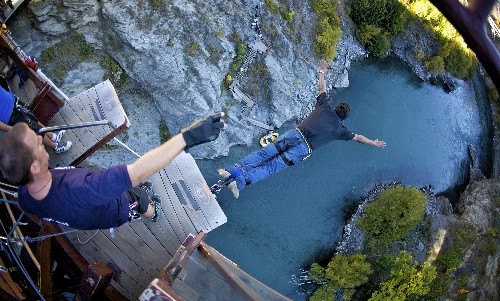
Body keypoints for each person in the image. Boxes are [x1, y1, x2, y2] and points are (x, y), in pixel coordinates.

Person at [0, 112, 224, 230]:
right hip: (116, 207)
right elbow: (136, 172)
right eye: (36, 142)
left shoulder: (25, 195)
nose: (41, 138)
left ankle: (141, 202)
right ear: (34, 167)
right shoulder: (81, 190)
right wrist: (188, 138)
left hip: (90, 210)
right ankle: (151, 213)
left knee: (132, 189)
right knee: (139, 198)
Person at [218, 60, 386, 198]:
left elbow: (322, 88)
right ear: (343, 119)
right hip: (302, 149)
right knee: (270, 167)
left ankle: (233, 171)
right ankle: (239, 182)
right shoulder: (340, 130)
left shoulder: (324, 106)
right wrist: (374, 142)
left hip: (294, 134)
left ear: (336, 108)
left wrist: (321, 71)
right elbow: (359, 138)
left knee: (263, 154)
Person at [0, 79, 72, 153]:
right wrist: (9, 129)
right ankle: (55, 146)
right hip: (9, 115)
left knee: (33, 119)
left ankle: (53, 136)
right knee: (35, 130)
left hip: (14, 102)